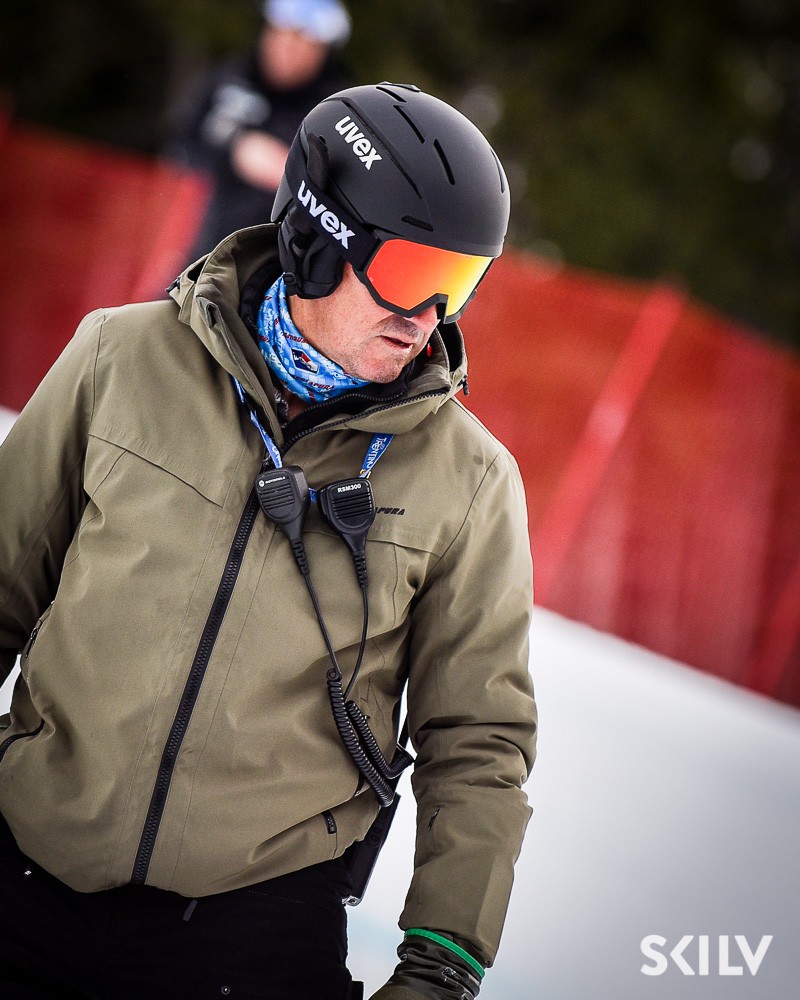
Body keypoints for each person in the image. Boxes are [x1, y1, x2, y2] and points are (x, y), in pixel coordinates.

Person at [0, 83, 537, 999]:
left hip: (252, 934)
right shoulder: (120, 358)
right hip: (28, 867)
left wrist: (443, 963)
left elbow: (479, 741)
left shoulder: (471, 480)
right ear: (318, 241)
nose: (428, 317)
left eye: (458, 283)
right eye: (411, 272)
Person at [169, 0, 352, 262]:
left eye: (301, 41)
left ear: (323, 51)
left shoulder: (335, 112)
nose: (286, 49)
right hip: (197, 245)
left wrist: (293, 175)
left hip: (275, 260)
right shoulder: (229, 79)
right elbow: (182, 144)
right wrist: (236, 148)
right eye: (279, 33)